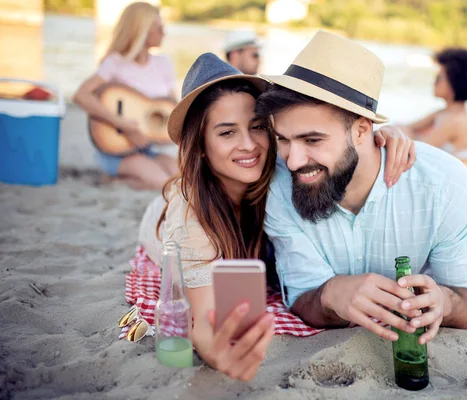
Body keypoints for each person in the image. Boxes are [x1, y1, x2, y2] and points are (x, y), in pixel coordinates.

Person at [136, 53, 415, 381]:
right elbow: (203, 321)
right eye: (227, 133)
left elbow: (336, 142)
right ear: (199, 144)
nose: (248, 145)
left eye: (257, 127)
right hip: (162, 224)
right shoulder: (190, 219)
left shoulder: (282, 166)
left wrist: (385, 135)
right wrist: (216, 351)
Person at [254, 30, 467, 346]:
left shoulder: (447, 187)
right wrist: (330, 294)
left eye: (312, 140)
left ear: (362, 130)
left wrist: (444, 302)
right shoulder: (279, 189)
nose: (294, 161)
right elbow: (302, 296)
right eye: (283, 139)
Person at [73, 2, 178, 190]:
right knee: (165, 185)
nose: (164, 32)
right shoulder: (115, 63)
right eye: (158, 27)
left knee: (183, 180)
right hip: (116, 149)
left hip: (149, 148)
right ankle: (118, 177)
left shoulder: (164, 63)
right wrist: (123, 125)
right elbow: (81, 95)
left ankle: (121, 180)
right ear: (142, 30)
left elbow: (174, 109)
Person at [397, 48, 467, 158]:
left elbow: (417, 150)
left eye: (439, 78)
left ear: (455, 82)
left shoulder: (456, 120)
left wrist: (405, 133)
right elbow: (405, 127)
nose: (434, 82)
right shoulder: (444, 113)